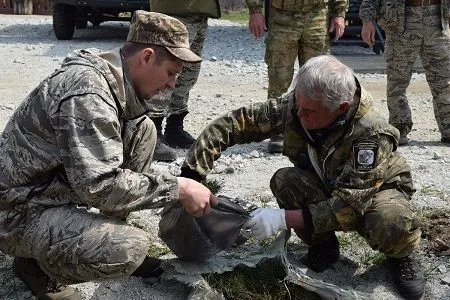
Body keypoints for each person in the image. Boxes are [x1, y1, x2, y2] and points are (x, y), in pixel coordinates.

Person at [0, 11, 218, 300]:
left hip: (46, 190)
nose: (171, 85)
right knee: (130, 248)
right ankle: (38, 266)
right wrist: (180, 188)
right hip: (16, 212)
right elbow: (99, 185)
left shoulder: (112, 82)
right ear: (147, 57)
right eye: (171, 73)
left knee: (143, 130)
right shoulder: (88, 92)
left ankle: (100, 236)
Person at [180, 55, 425, 299]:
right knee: (286, 181)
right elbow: (235, 123)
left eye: (308, 111)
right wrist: (191, 176)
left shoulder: (371, 134)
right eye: (298, 104)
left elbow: (348, 206)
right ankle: (323, 245)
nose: (299, 114)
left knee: (391, 221)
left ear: (340, 108)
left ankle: (400, 255)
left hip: (373, 194)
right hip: (327, 183)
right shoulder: (300, 106)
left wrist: (282, 219)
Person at [245, 0, 347, 153]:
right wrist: (255, 10)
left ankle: (319, 130)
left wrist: (339, 13)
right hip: (282, 17)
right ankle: (277, 131)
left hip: (316, 15)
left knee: (319, 77)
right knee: (278, 77)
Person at [359, 0, 450, 145]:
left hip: (437, 20)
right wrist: (367, 20)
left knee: (444, 81)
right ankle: (399, 127)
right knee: (397, 82)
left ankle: (448, 128)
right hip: (402, 22)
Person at [148, 0, 221, 162]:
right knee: (166, 71)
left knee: (189, 73)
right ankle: (152, 135)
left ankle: (174, 128)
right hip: (174, 12)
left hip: (198, 12)